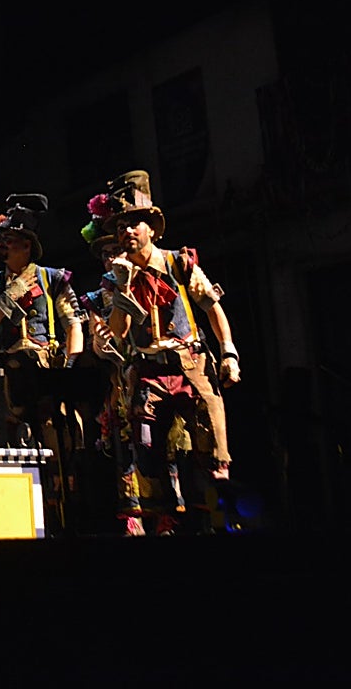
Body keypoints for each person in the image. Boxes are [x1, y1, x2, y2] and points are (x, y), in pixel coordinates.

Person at [104, 169, 241, 536]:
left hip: (189, 366)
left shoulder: (178, 264)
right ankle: (166, 528)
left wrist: (228, 352)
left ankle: (222, 524)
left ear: (151, 228)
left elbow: (212, 307)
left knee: (211, 452)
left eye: (134, 224)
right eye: (121, 227)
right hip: (149, 372)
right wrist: (122, 289)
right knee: (149, 455)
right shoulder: (117, 276)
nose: (127, 232)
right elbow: (118, 332)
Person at [0, 193, 85, 533]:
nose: (4, 245)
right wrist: (10, 296)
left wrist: (70, 366)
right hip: (6, 375)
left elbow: (73, 324)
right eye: (2, 239)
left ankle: (62, 517)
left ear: (28, 245)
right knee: (8, 445)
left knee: (57, 444)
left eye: (11, 239)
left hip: (46, 371)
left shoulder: (53, 279)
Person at [78, 191, 148, 535]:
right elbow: (100, 345)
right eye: (104, 254)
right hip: (123, 383)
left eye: (114, 251)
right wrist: (101, 343)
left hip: (158, 370)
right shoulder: (95, 298)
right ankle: (136, 523)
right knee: (128, 452)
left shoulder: (149, 276)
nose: (110, 258)